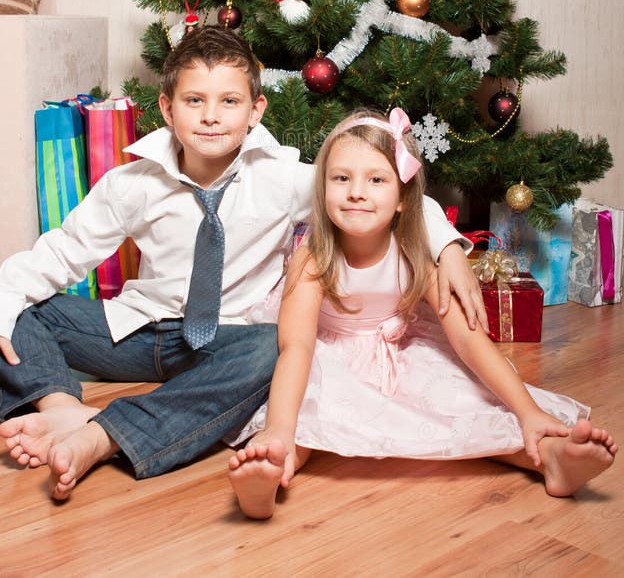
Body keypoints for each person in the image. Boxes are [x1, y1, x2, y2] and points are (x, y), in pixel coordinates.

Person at [0, 29, 482, 501]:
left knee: (272, 350)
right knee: (14, 309)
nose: (211, 117)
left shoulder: (281, 178)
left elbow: (392, 191)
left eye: (229, 102)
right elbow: (59, 255)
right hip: (139, 329)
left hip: (228, 343)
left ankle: (104, 435)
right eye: (194, 101)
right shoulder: (132, 183)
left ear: (256, 111)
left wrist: (449, 248)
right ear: (167, 108)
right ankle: (60, 405)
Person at [228, 109, 617, 519]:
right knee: (303, 420)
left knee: (473, 410)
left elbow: (468, 341)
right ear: (322, 188)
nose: (356, 192)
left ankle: (550, 456)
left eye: (376, 180)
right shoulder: (312, 259)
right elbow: (297, 347)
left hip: (397, 358)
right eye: (341, 178)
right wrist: (279, 428)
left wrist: (529, 411)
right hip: (327, 359)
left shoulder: (416, 258)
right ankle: (270, 473)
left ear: (401, 199)